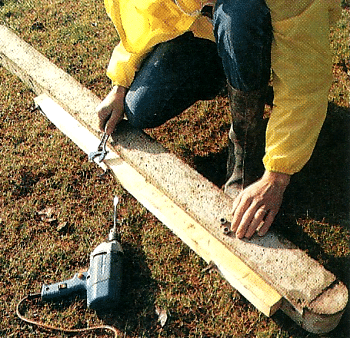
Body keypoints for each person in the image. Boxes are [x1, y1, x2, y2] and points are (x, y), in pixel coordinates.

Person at [97, 0, 341, 239]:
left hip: (254, 25)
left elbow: (304, 83)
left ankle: (245, 142)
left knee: (239, 11)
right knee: (140, 107)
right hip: (204, 33)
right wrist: (120, 83)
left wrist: (277, 176)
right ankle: (230, 73)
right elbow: (143, 15)